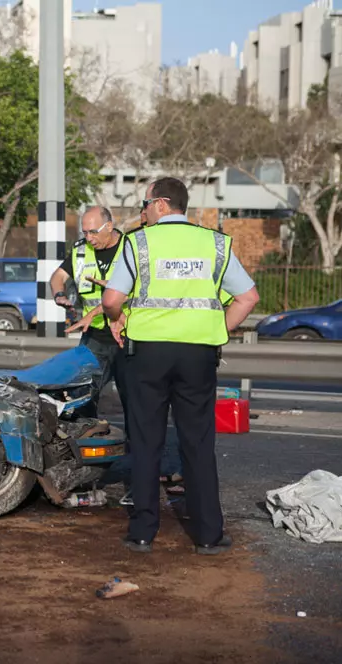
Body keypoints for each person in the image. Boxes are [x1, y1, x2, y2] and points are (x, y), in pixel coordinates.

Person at [102, 177, 259, 555]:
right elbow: (248, 297)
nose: (143, 209)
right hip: (198, 355)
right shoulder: (215, 243)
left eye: (145, 202)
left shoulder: (139, 242)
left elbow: (110, 299)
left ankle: (142, 532)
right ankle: (208, 534)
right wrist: (217, 328)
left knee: (145, 442)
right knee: (198, 443)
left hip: (148, 354)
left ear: (161, 204)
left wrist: (118, 318)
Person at [49, 206, 127, 420]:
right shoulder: (81, 251)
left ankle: (137, 448)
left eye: (93, 232)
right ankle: (85, 441)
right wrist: (59, 295)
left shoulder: (131, 249)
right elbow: (57, 277)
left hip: (127, 335)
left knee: (133, 398)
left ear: (109, 226)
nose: (89, 238)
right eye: (85, 232)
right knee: (81, 394)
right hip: (94, 337)